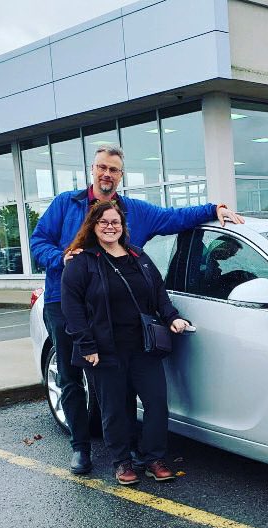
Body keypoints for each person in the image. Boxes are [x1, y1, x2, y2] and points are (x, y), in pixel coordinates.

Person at [31, 145, 243, 475]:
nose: (106, 174)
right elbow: (38, 241)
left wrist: (215, 208)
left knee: (116, 386)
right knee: (72, 379)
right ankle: (81, 446)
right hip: (65, 302)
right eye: (101, 167)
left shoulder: (134, 212)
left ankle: (127, 450)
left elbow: (176, 218)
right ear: (92, 170)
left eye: (113, 170)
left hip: (118, 315)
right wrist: (60, 259)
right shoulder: (65, 204)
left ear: (120, 175)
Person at [60, 200, 191, 485]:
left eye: (115, 222)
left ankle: (153, 457)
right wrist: (87, 346)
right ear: (93, 226)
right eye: (104, 222)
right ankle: (122, 462)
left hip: (143, 347)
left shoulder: (138, 256)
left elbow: (158, 293)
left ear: (123, 226)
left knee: (156, 404)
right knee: (115, 409)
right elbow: (72, 309)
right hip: (104, 350)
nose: (110, 227)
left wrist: (172, 318)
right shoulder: (81, 262)